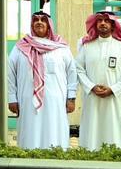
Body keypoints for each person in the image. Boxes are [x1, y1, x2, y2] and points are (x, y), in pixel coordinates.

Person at [7, 9, 77, 149]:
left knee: (54, 133)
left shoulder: (61, 47)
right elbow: (10, 73)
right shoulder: (21, 47)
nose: (39, 22)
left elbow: (72, 73)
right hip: (27, 100)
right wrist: (12, 98)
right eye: (36, 20)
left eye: (43, 20)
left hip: (56, 101)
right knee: (30, 134)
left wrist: (71, 98)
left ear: (49, 24)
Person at [75, 10, 121, 150]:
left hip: (114, 99)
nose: (103, 23)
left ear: (113, 26)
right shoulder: (87, 46)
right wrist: (91, 87)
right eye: (100, 20)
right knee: (92, 130)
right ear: (95, 24)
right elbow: (78, 68)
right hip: (92, 98)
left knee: (114, 130)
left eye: (106, 21)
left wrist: (113, 89)